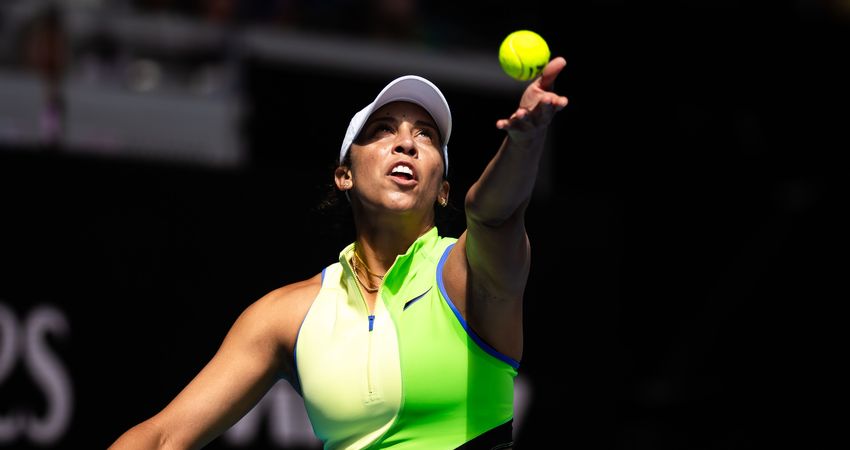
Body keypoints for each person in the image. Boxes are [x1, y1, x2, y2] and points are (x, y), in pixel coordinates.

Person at [108, 56, 569, 450]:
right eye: (383, 130)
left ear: (443, 190)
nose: (406, 142)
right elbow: (164, 438)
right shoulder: (287, 315)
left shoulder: (468, 275)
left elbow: (493, 214)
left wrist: (522, 144)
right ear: (344, 175)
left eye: (426, 135)